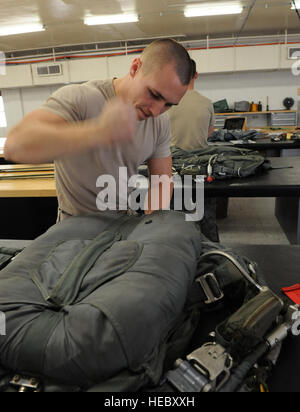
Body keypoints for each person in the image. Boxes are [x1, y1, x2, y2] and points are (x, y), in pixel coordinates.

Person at [4, 39, 192, 220]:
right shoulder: (81, 98)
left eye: (168, 104)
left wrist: (151, 226)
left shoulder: (159, 121)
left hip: (122, 224)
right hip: (76, 232)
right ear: (135, 68)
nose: (156, 110)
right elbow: (16, 145)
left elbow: (161, 182)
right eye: (153, 94)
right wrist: (98, 132)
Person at [168, 59, 215, 150]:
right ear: (196, 75)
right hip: (200, 158)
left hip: (173, 158)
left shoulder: (167, 102)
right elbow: (208, 132)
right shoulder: (207, 103)